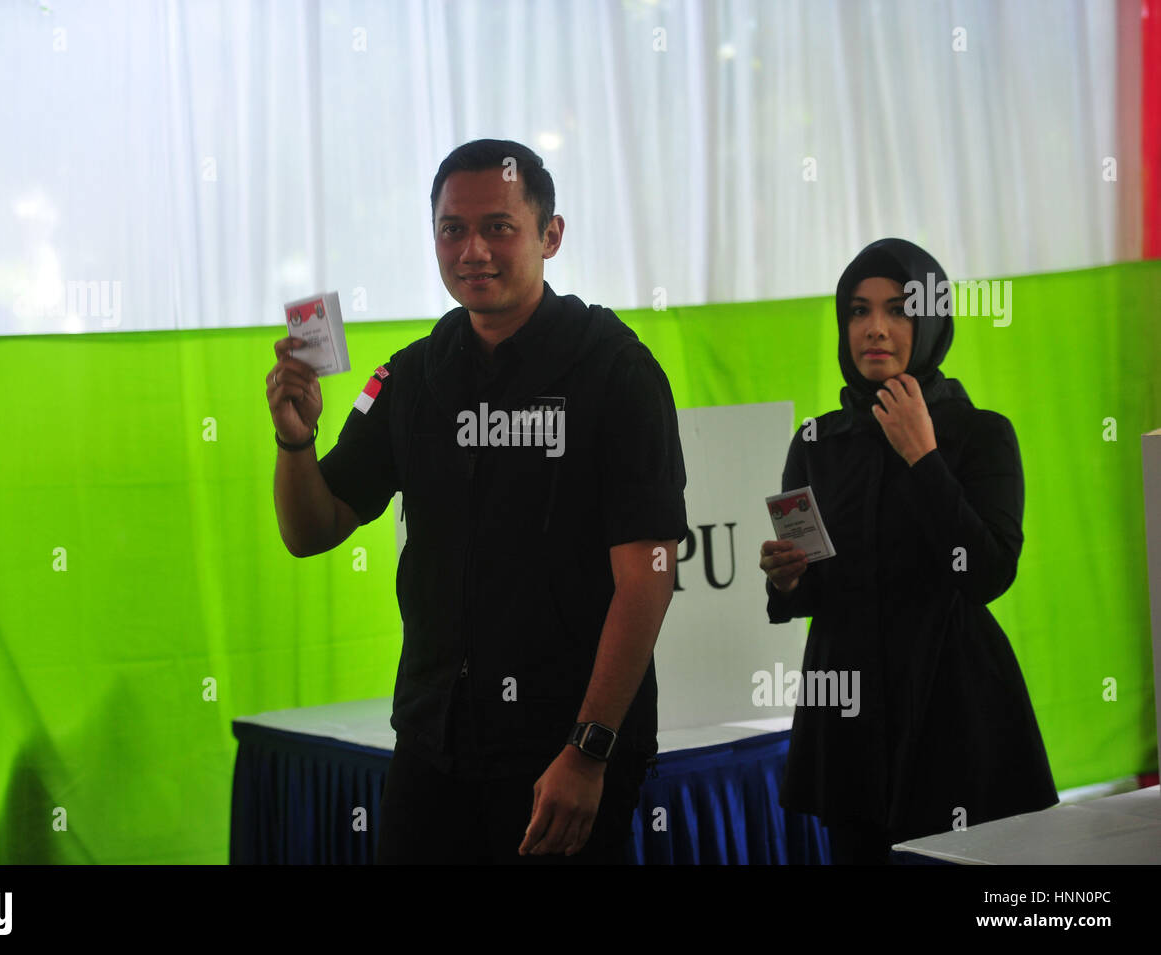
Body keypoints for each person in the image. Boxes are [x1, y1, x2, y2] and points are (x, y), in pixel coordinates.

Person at [266, 139, 688, 864]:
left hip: (560, 753)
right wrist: (295, 442)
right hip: (434, 743)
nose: (473, 251)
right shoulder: (410, 376)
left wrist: (587, 753)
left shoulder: (615, 372)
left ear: (550, 235)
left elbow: (646, 579)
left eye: (499, 226)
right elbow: (314, 527)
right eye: (452, 229)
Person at [759, 237, 1057, 865]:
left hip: (953, 701)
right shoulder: (818, 441)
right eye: (859, 311)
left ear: (930, 322)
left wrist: (922, 455)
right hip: (848, 709)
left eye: (898, 309)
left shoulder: (981, 433)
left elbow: (989, 572)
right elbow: (814, 589)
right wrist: (786, 582)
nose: (876, 328)